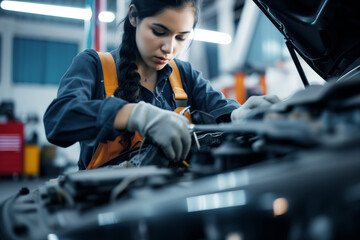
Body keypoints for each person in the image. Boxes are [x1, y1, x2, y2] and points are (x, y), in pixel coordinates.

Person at [43, 0, 279, 170]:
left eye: (181, 37)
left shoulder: (184, 74)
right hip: (105, 206)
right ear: (134, 17)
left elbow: (220, 111)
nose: (169, 48)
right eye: (159, 32)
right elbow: (58, 121)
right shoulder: (94, 66)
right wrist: (135, 114)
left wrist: (239, 116)